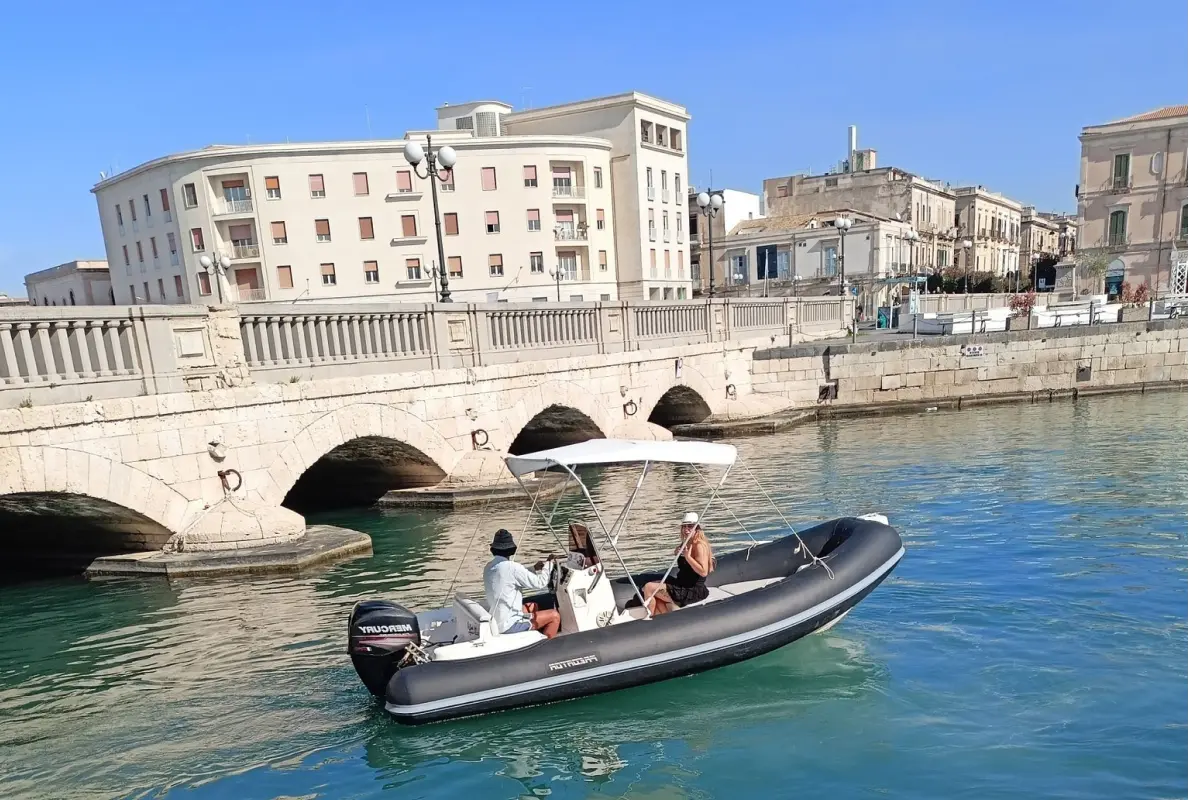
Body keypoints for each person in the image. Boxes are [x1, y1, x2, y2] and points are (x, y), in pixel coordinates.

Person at [482, 529, 561, 639]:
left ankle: (532, 637)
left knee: (533, 606)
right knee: (554, 616)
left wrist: (533, 568)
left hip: (497, 619)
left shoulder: (489, 566)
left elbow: (510, 578)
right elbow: (540, 583)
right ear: (511, 550)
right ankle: (545, 648)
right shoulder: (512, 567)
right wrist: (549, 564)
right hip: (508, 625)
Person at [641, 512, 714, 616]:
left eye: (690, 526)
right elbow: (685, 564)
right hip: (681, 583)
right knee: (650, 588)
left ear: (697, 528)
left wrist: (688, 557)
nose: (686, 529)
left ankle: (650, 621)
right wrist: (677, 552)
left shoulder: (699, 545)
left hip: (691, 590)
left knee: (649, 587)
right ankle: (662, 620)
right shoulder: (687, 542)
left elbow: (703, 572)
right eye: (684, 526)